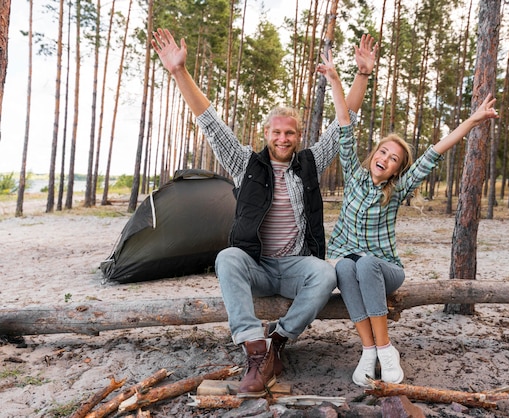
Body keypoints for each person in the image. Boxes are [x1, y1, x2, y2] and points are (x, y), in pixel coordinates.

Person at [151, 28, 377, 397]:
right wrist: (179, 72)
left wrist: (362, 75)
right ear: (266, 134)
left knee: (326, 272)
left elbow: (343, 122)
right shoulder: (246, 163)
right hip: (256, 265)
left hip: (294, 266)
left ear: (298, 136)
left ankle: (278, 341)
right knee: (227, 258)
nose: (283, 138)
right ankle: (254, 350)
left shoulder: (309, 164)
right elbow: (210, 122)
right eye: (277, 132)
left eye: (290, 133)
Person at [317, 50, 498, 387]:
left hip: (385, 270)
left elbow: (437, 150)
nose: (386, 158)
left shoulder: (397, 190)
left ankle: (386, 350)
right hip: (352, 266)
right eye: (383, 151)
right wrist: (337, 81)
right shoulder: (354, 176)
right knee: (344, 266)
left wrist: (473, 121)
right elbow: (344, 122)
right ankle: (368, 350)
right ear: (374, 155)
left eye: (394, 158)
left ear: (399, 169)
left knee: (366, 263)